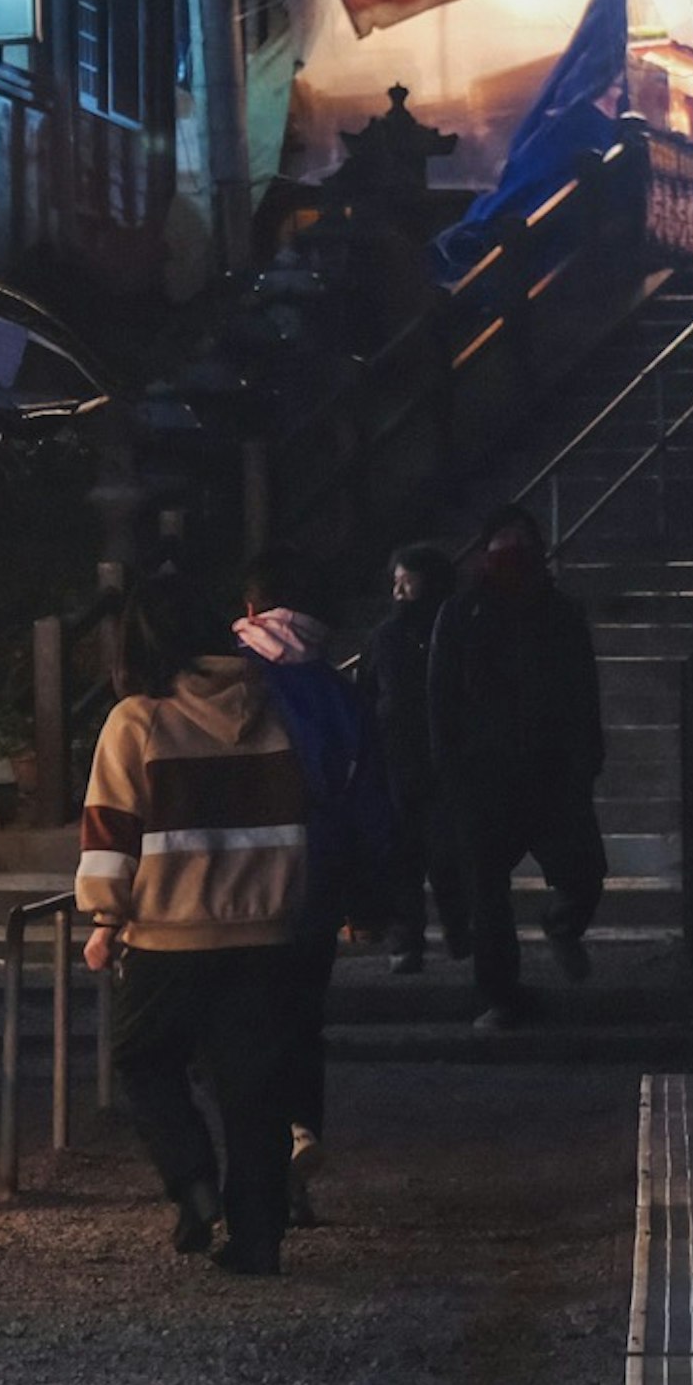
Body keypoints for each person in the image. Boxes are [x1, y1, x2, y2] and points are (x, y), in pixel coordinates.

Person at [77, 571, 318, 1274]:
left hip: (168, 934)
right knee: (254, 1087)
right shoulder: (271, 703)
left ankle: (192, 1177)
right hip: (268, 930)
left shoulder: (138, 719)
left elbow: (110, 831)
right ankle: (258, 1235)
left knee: (142, 1057)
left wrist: (103, 915)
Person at [428, 507, 607, 1029]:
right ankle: (500, 994)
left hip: (550, 769)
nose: (510, 550)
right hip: (483, 774)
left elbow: (582, 690)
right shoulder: (462, 613)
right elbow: (442, 696)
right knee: (487, 894)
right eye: (501, 540)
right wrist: (451, 769)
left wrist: (585, 758)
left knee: (583, 873)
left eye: (520, 540)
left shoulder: (560, 613)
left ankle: (562, 926)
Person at [232, 562, 375, 1220]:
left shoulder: (234, 678)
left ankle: (262, 1167)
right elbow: (367, 794)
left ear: (253, 605)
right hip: (318, 868)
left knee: (243, 1022)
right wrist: (365, 894)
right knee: (301, 1018)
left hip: (245, 868)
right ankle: (301, 1148)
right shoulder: (335, 686)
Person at [361, 544, 464, 973]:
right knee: (402, 857)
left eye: (409, 579)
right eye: (396, 580)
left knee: (446, 856)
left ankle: (460, 934)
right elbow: (369, 690)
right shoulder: (386, 636)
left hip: (446, 759)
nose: (400, 589)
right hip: (397, 759)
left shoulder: (455, 628)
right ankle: (408, 941)